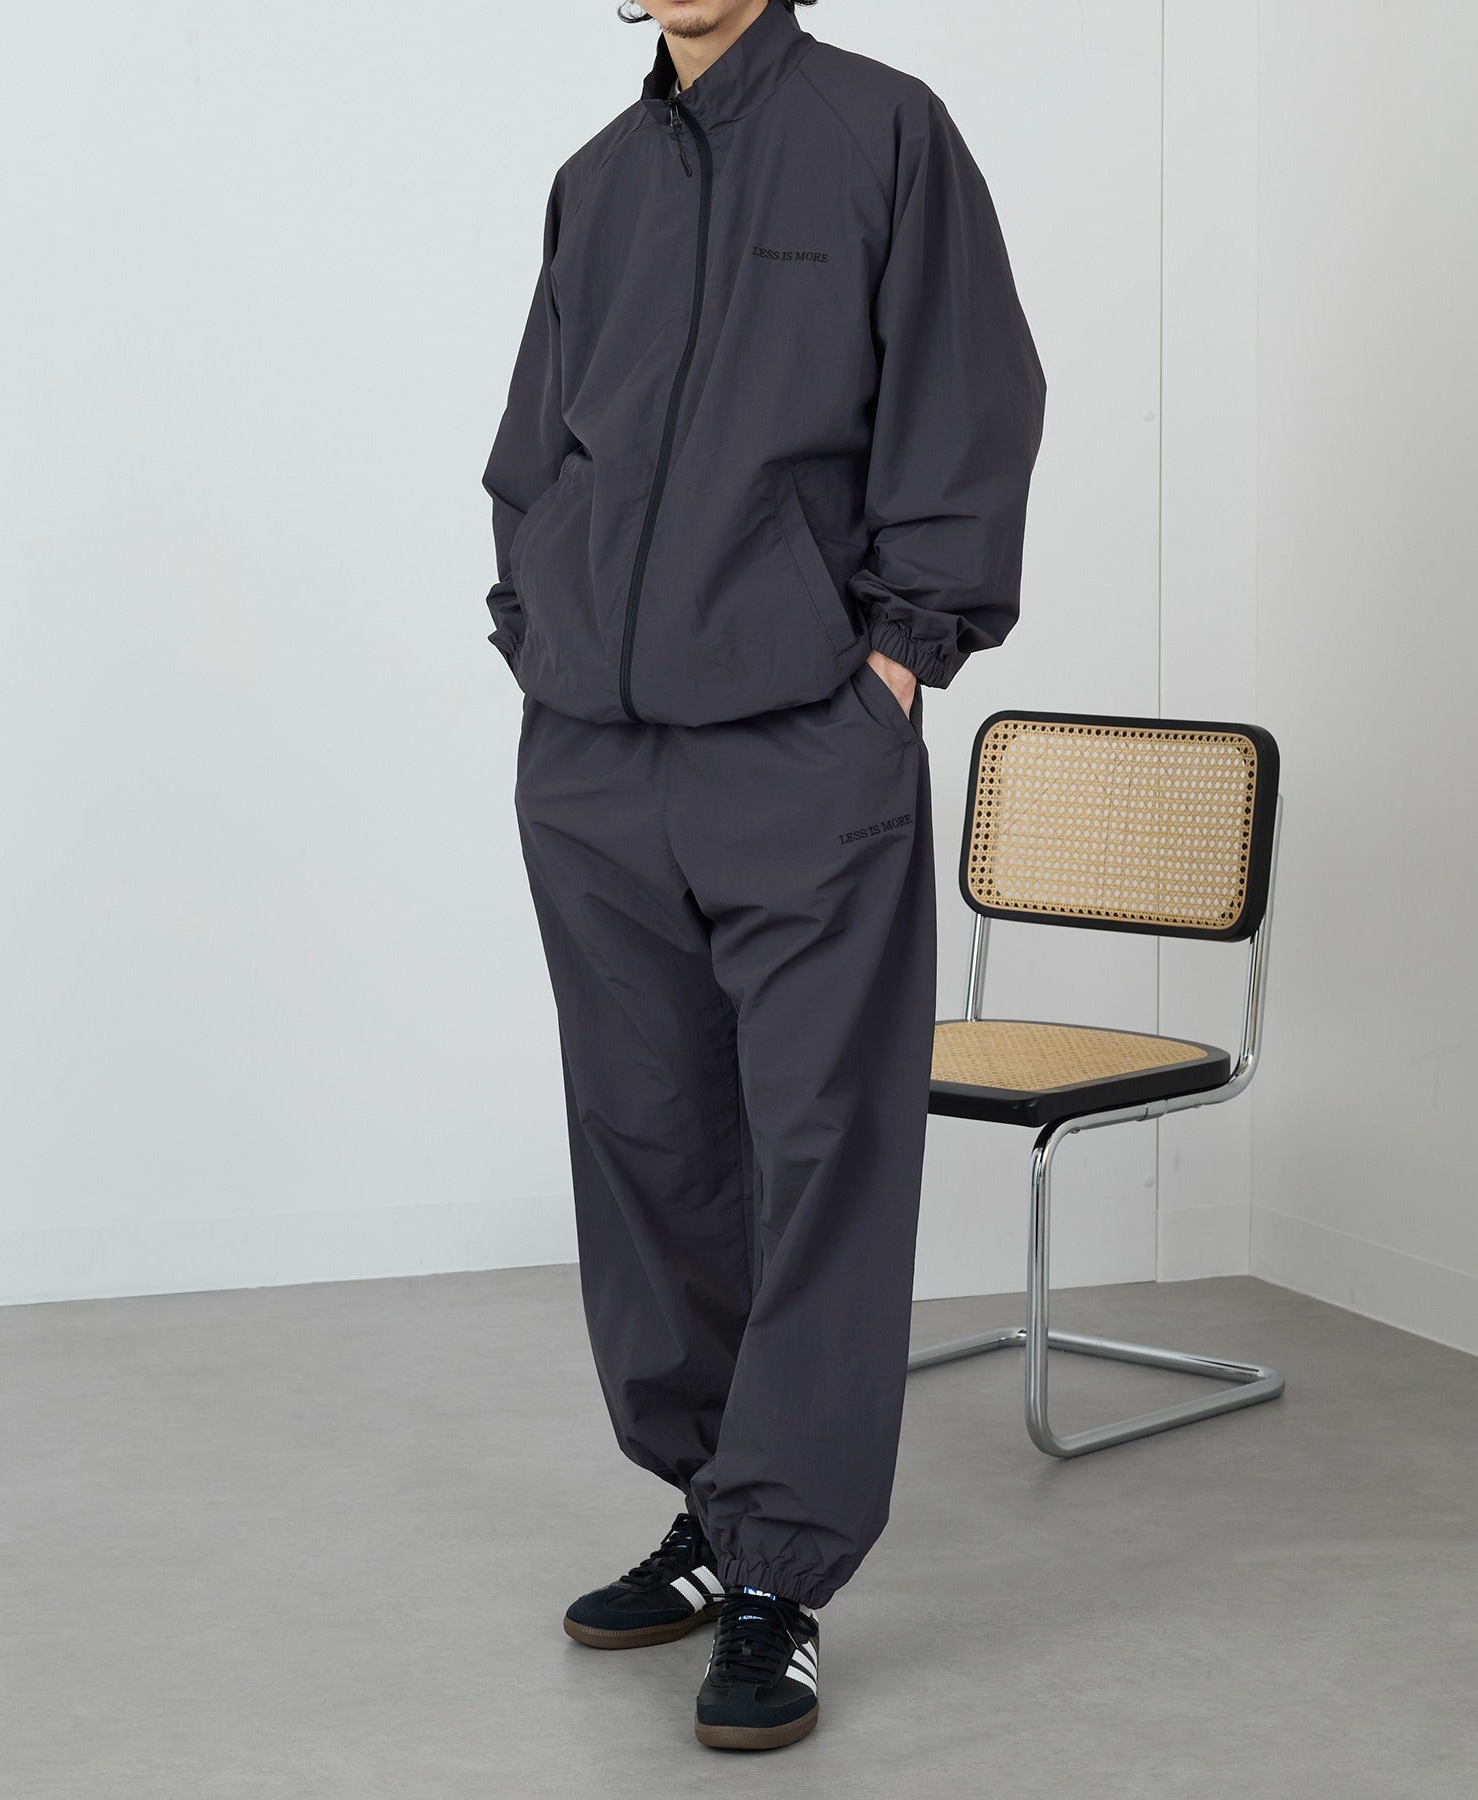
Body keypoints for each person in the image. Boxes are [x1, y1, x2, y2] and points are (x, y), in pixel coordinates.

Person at [481, 0, 1045, 1752]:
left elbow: (970, 397)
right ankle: (713, 1510)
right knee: (649, 1139)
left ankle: (782, 1572)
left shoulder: (885, 131)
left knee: (820, 1151)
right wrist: (539, 634)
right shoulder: (595, 182)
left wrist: (896, 661)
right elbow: (535, 450)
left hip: (804, 742)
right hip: (599, 756)